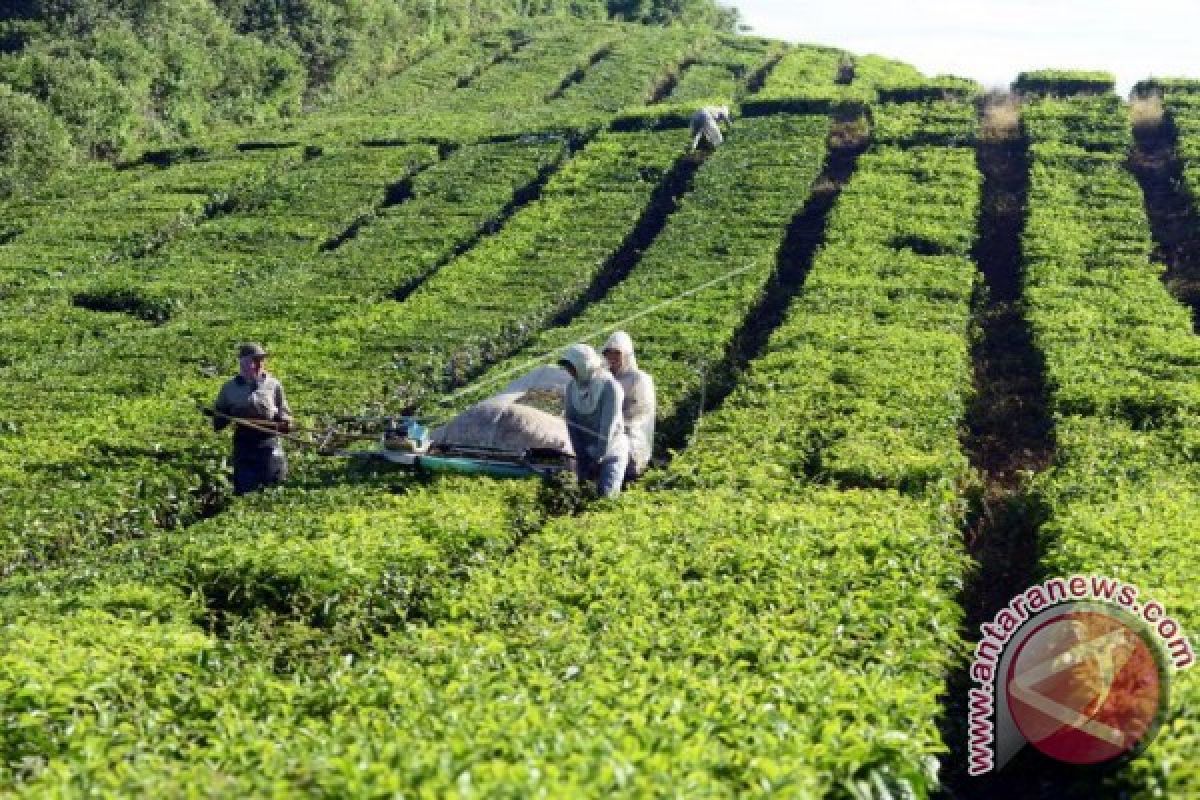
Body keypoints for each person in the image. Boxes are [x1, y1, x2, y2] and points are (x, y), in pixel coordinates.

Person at [206, 342, 292, 495]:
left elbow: (284, 412)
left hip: (268, 440)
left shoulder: (273, 384)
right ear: (242, 363)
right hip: (244, 443)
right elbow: (219, 420)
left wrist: (285, 422)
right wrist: (220, 417)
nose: (259, 365)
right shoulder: (229, 389)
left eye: (261, 360)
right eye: (254, 361)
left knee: (274, 484)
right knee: (246, 487)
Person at [558, 343, 628, 498]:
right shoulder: (572, 388)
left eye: (572, 367)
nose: (570, 371)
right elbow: (572, 424)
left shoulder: (609, 387)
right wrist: (581, 455)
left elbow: (607, 427)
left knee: (606, 498)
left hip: (611, 451)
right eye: (568, 367)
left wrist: (598, 459)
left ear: (583, 366)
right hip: (587, 454)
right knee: (583, 496)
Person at [601, 331, 656, 479]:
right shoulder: (603, 378)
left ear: (627, 355)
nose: (612, 358)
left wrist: (617, 423)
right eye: (608, 353)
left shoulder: (639, 379)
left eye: (617, 353)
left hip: (630, 434)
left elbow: (640, 412)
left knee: (625, 460)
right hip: (603, 432)